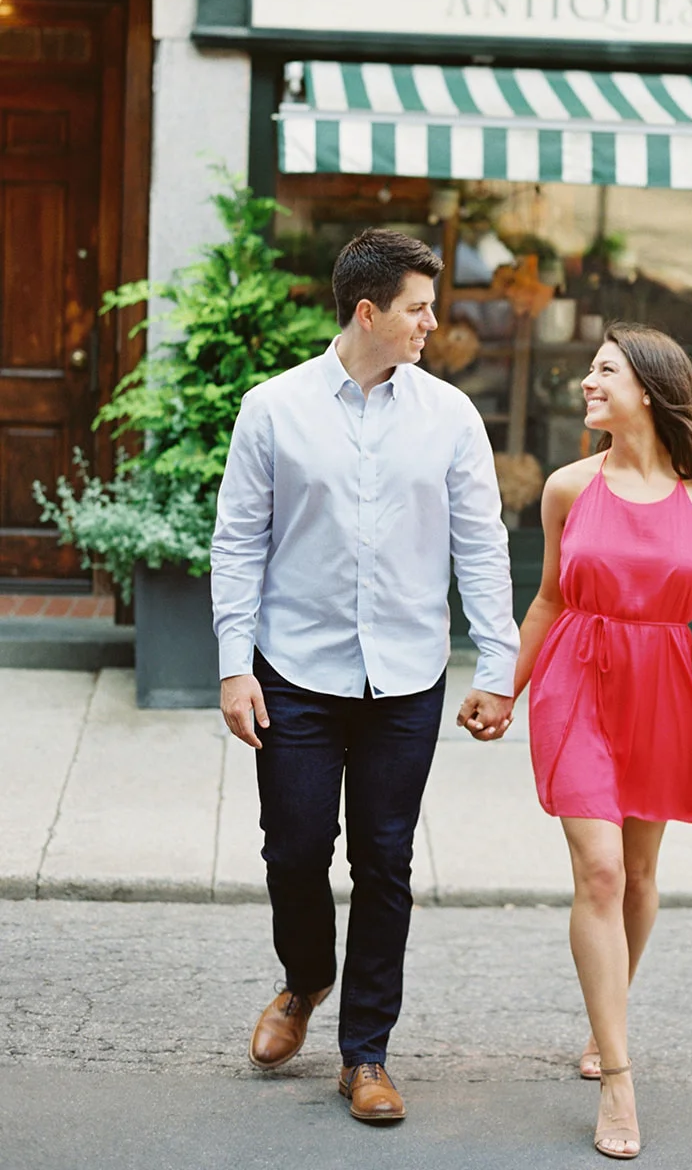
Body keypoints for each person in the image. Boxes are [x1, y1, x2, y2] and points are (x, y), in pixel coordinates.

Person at [211, 228, 517, 1125]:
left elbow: (481, 547)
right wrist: (235, 667)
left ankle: (366, 1054)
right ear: (369, 311)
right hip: (295, 671)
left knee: (386, 863)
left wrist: (497, 667)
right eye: (420, 308)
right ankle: (306, 980)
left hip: (407, 679)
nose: (433, 324)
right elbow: (238, 544)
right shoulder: (272, 409)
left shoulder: (451, 417)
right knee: (296, 850)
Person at [514, 324, 692, 1161]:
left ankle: (602, 1017)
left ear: (648, 387)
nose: (586, 382)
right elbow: (544, 601)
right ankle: (618, 1073)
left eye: (603, 371)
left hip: (660, 692)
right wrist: (504, 687)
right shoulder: (569, 487)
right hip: (575, 682)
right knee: (602, 870)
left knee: (641, 875)